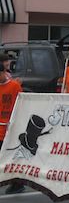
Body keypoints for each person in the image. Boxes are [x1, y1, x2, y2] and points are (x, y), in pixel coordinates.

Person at [0, 62, 24, 194]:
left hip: (10, 127)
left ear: (4, 72)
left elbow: (21, 104)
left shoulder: (14, 86)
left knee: (11, 157)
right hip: (0, 127)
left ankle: (17, 183)